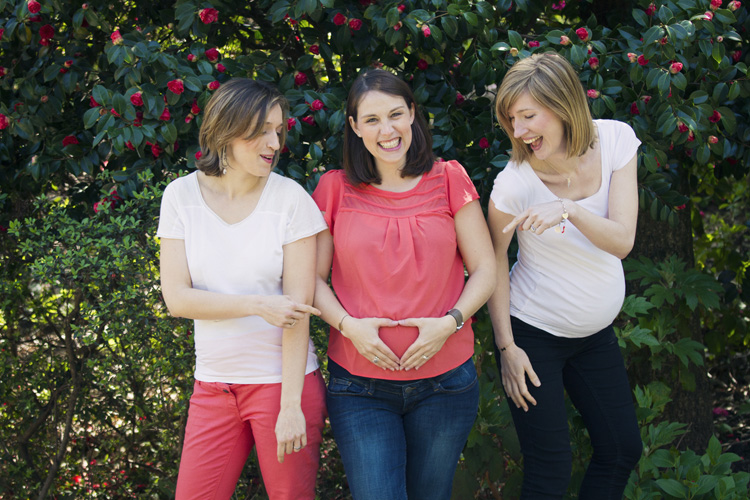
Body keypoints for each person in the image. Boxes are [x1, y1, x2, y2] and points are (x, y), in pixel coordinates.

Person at [311, 69, 496, 500]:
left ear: (413, 114)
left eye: (396, 114)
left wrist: (449, 322)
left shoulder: (450, 178)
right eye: (371, 119)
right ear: (355, 127)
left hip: (445, 383)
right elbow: (312, 282)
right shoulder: (334, 189)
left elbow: (486, 269)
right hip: (359, 387)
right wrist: (348, 326)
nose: (387, 129)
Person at [156, 78, 328, 500]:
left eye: (278, 130)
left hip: (283, 386)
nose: (274, 142)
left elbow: (297, 311)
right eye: (261, 131)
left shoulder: (290, 200)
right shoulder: (180, 197)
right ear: (226, 131)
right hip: (213, 387)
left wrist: (290, 406)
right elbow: (177, 298)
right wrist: (257, 304)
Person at [487, 52, 643, 499]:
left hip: (595, 335)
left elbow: (622, 241)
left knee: (621, 449)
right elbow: (494, 261)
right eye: (512, 119)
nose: (519, 131)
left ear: (563, 104)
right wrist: (507, 347)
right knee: (550, 471)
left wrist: (570, 210)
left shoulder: (615, 141)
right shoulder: (514, 184)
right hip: (534, 335)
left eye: (528, 115)